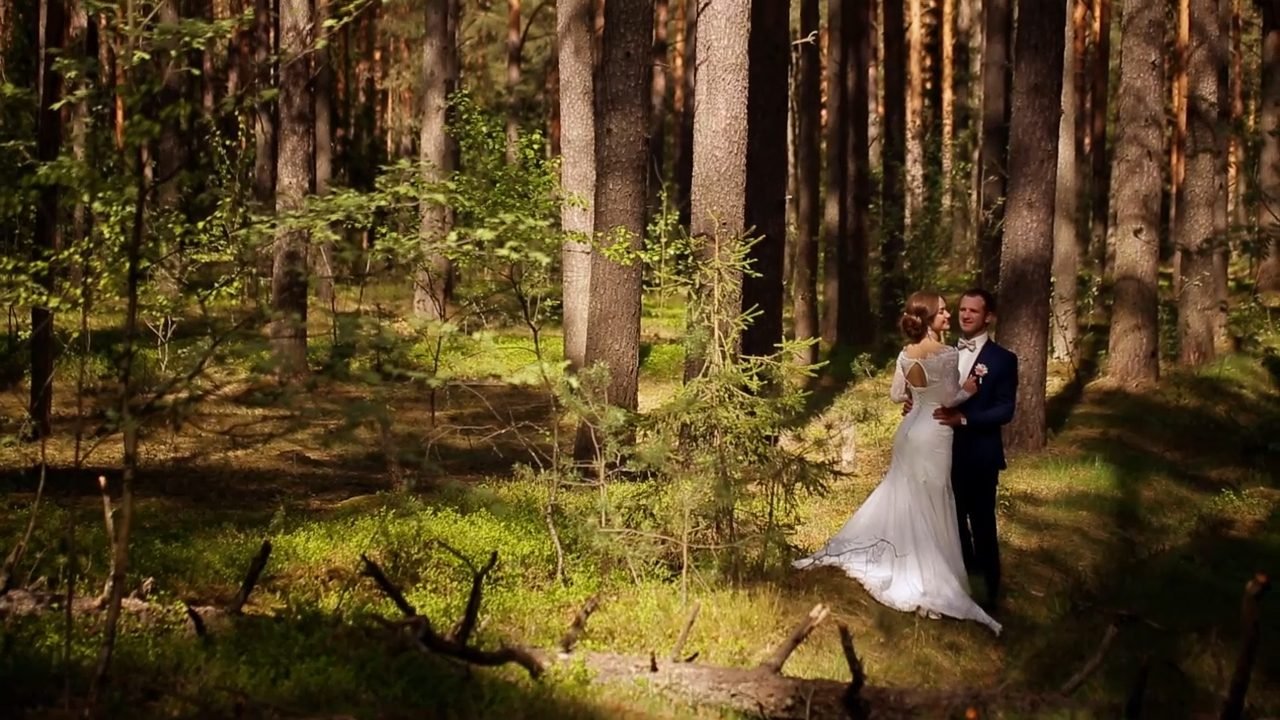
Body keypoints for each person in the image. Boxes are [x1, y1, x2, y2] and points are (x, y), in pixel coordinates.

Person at [794, 291, 1001, 634]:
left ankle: (894, 552)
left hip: (908, 430)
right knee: (932, 496)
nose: (948, 316)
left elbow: (894, 395)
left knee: (904, 491)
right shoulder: (946, 354)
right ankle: (926, 569)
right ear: (930, 317)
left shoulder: (906, 353)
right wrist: (972, 386)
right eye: (944, 311)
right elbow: (951, 398)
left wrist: (913, 398)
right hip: (934, 433)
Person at [931, 288, 1017, 614]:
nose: (966, 315)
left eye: (974, 311)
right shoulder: (946, 354)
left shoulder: (1002, 359)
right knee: (952, 524)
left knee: (981, 525)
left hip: (980, 455)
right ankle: (965, 585)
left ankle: (991, 594)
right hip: (944, 454)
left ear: (988, 317)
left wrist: (964, 419)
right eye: (963, 310)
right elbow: (936, 398)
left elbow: (1005, 410)